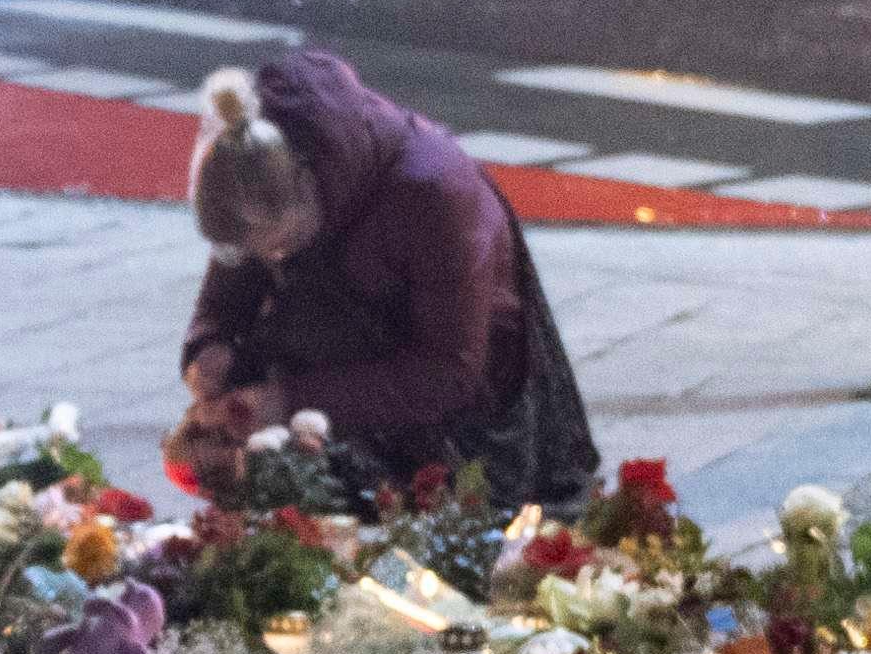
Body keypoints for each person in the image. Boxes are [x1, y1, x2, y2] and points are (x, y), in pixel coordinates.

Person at [176, 52, 602, 505]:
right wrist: (208, 347)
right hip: (341, 377)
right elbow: (226, 295)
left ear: (310, 188)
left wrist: (288, 400)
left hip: (466, 418)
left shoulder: (434, 195)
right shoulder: (255, 166)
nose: (267, 262)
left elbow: (449, 370)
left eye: (278, 248)